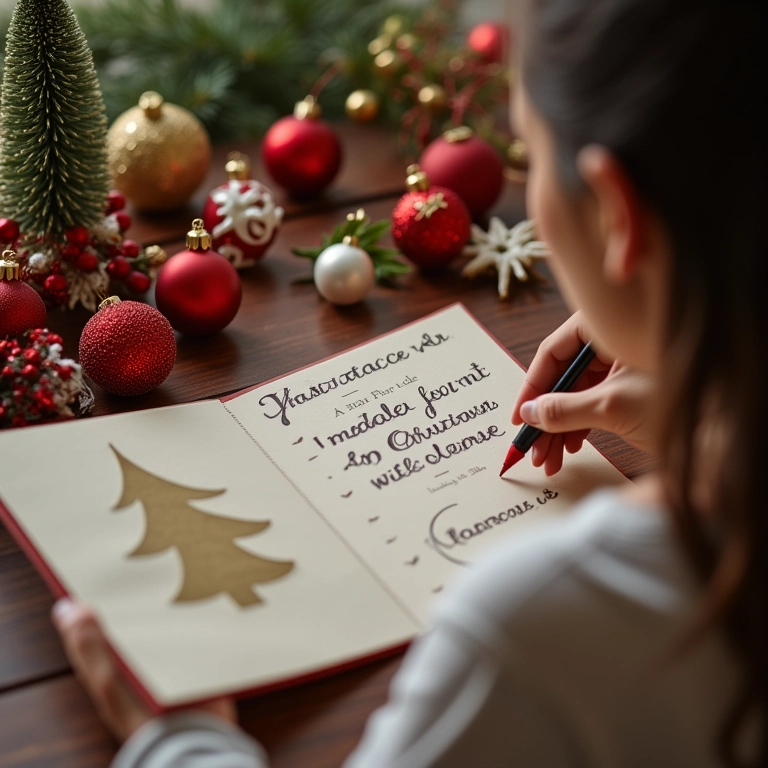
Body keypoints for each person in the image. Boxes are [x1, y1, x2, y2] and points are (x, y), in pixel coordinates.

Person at [52, 0, 766, 765]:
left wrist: (180, 741)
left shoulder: (539, 628)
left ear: (620, 216)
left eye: (527, 150)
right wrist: (711, 410)